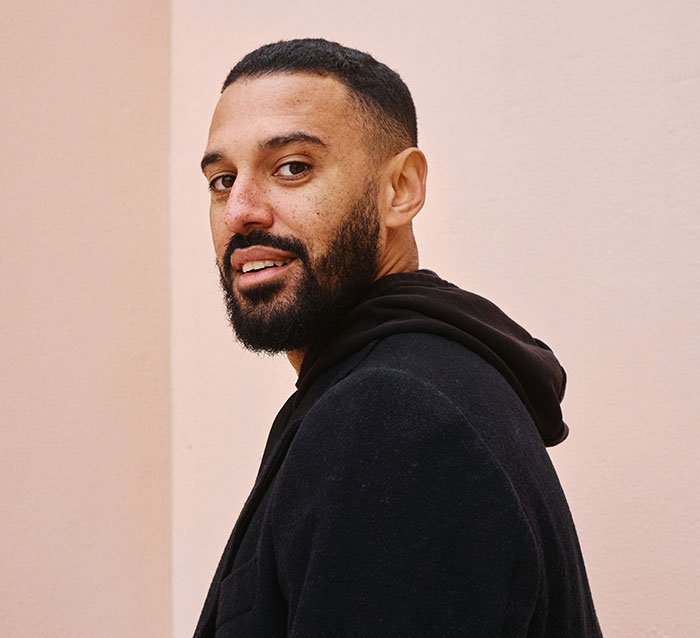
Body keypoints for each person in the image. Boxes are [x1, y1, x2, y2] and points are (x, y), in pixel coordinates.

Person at [194, 38, 602, 637]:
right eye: (223, 180)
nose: (241, 211)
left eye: (293, 167)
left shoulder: (393, 415)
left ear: (400, 189)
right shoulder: (407, 383)